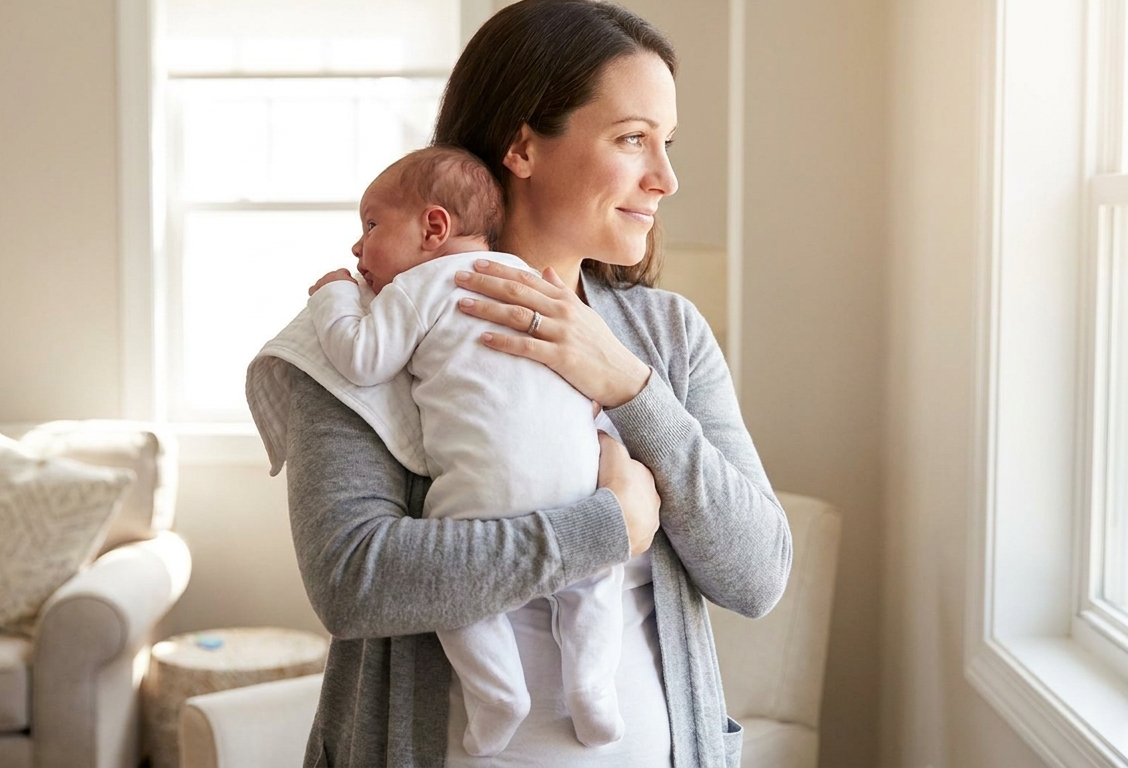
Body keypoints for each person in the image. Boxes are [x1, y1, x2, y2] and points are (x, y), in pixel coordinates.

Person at [276, 1, 793, 766]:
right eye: (631, 139)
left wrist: (628, 388)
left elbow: (757, 576)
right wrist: (603, 528)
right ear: (522, 145)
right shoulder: (363, 333)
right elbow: (354, 581)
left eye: (668, 142)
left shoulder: (667, 338)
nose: (666, 178)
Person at [305, 145, 627, 756]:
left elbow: (362, 358)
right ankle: (592, 686)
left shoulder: (417, 288)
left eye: (371, 225)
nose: (357, 248)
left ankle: (498, 692)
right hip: (577, 481)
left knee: (460, 590)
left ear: (433, 227)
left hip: (484, 493)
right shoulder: (536, 286)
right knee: (593, 583)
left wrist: (333, 298)